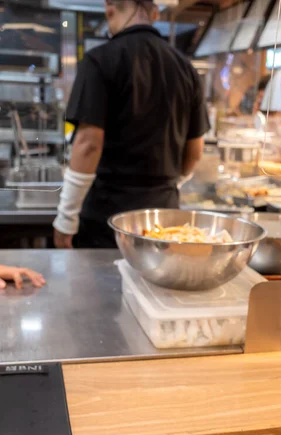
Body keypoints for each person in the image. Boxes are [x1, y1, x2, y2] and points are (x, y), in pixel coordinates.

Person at [54, 0, 209, 249]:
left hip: (108, 220)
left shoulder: (99, 61)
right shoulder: (186, 68)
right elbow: (195, 151)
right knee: (155, 288)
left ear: (109, 8)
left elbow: (88, 145)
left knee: (103, 287)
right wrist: (168, 184)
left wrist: (66, 220)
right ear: (155, 12)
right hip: (165, 220)